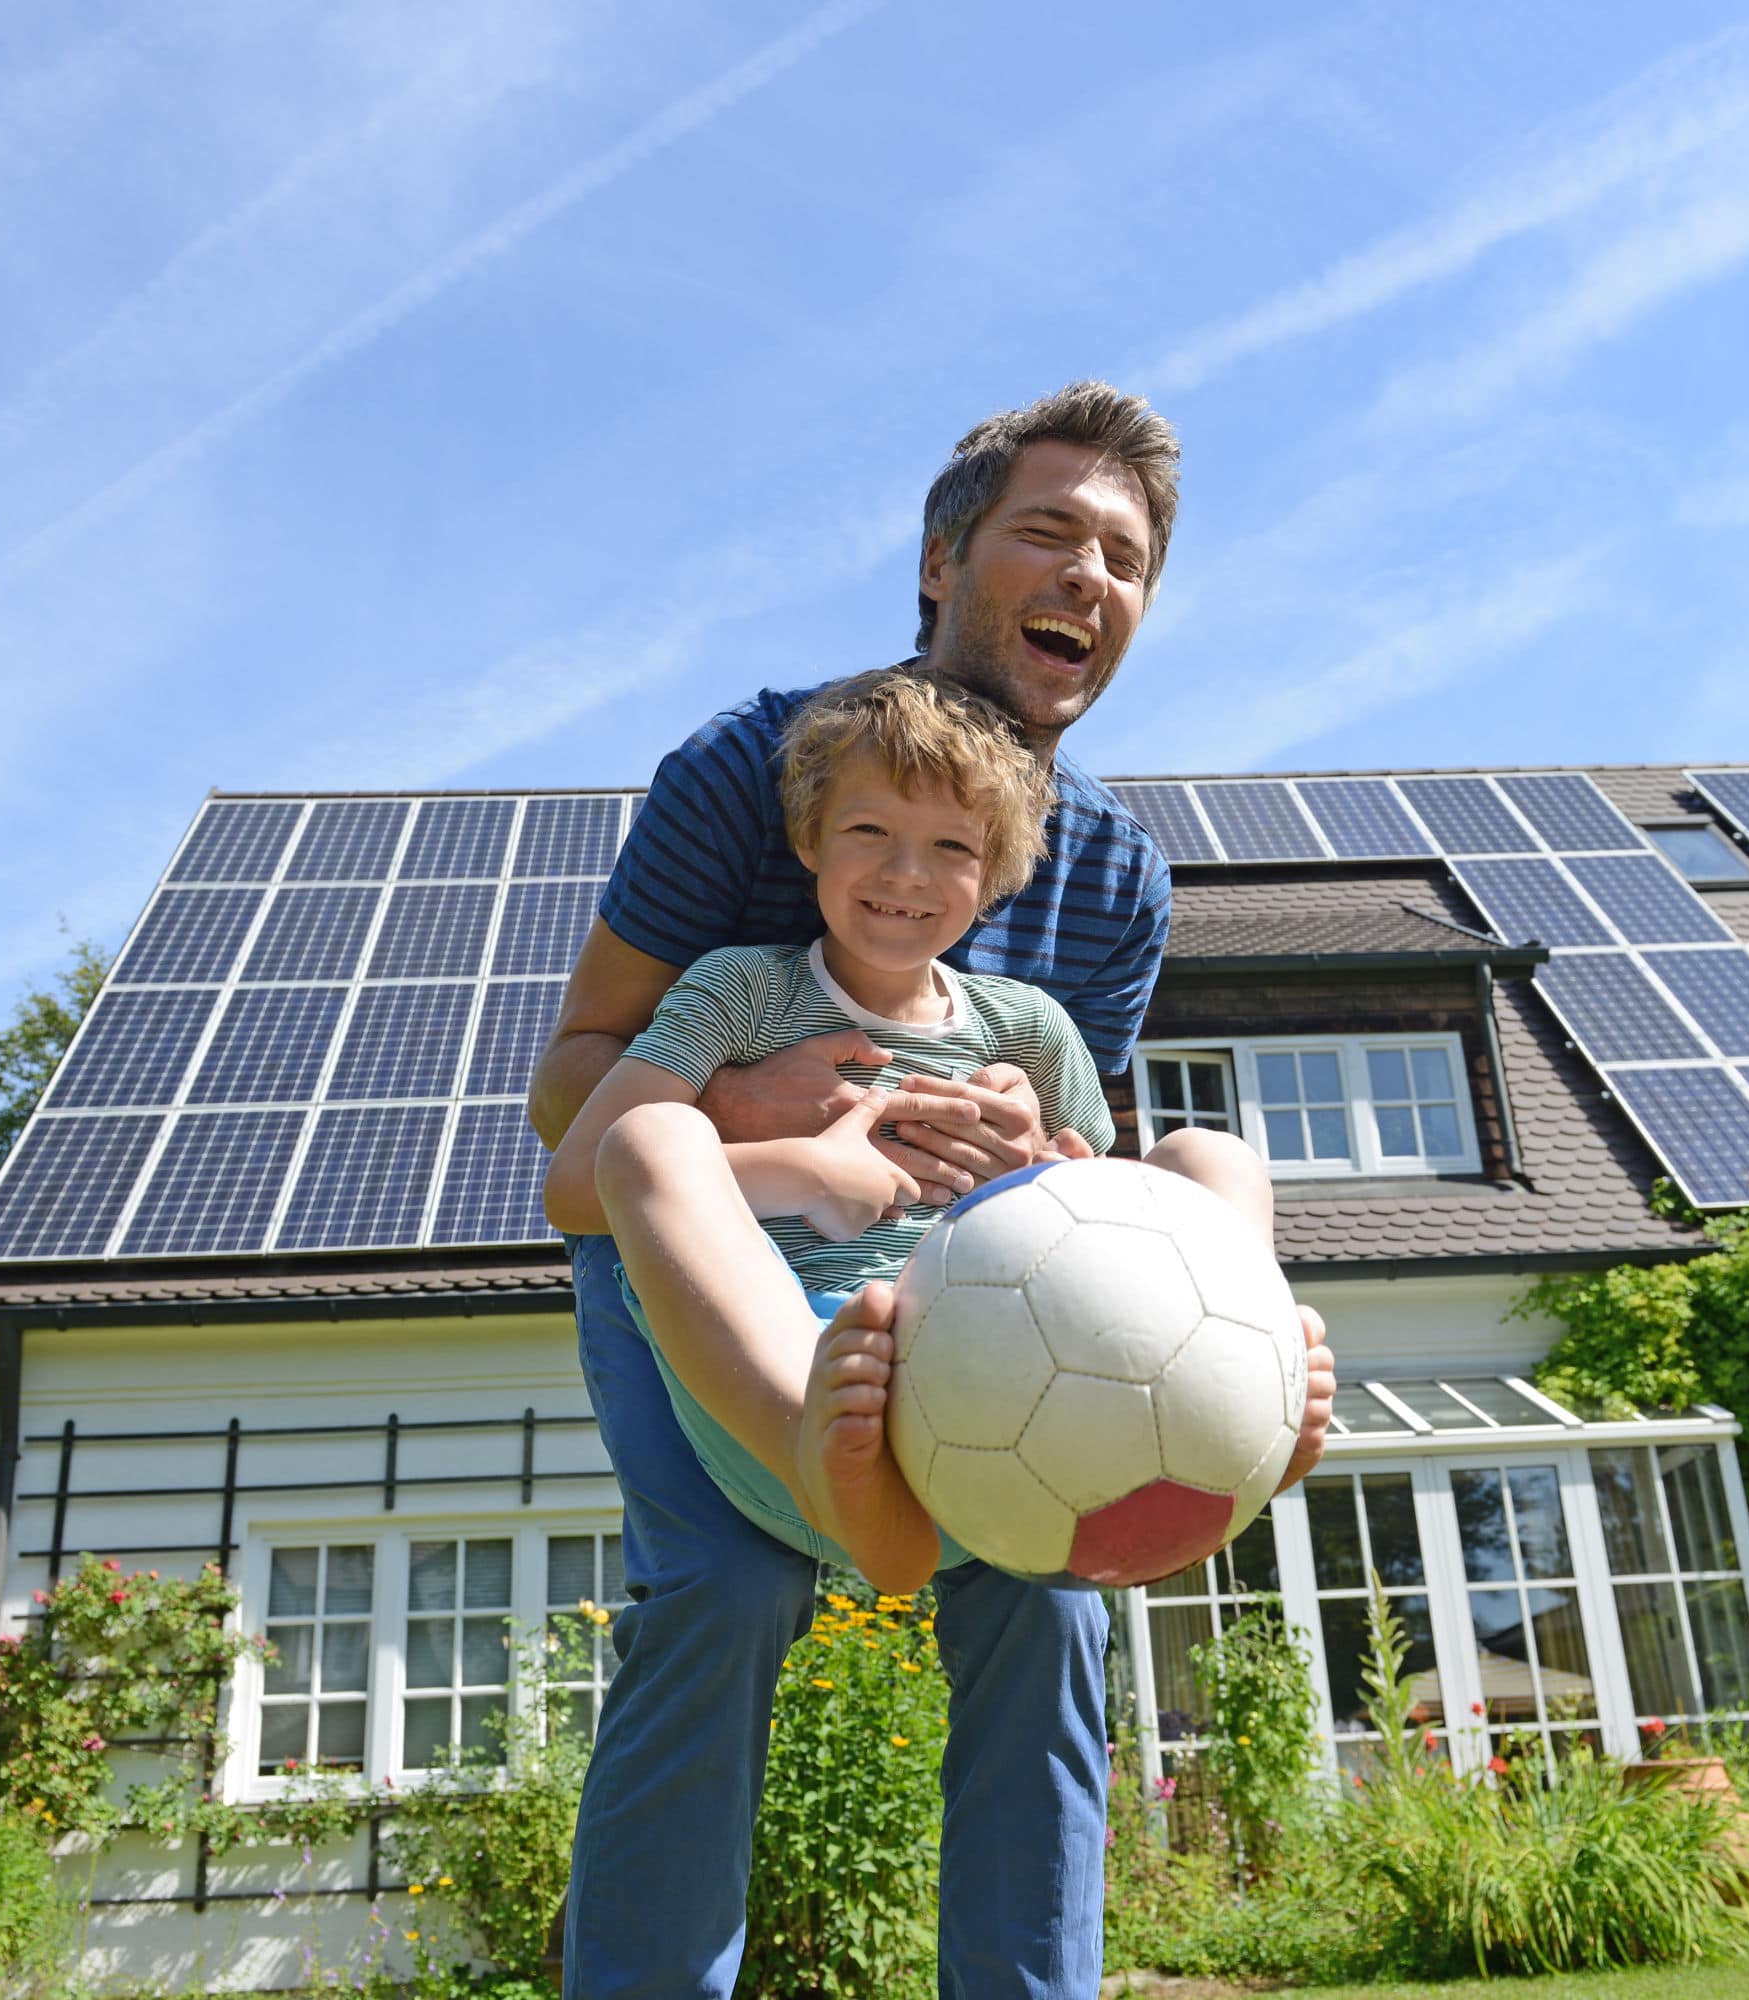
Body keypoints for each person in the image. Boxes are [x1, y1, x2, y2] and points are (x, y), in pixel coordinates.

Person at [527, 382, 1337, 1999]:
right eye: (1049, 531)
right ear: (943, 558)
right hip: (718, 1261)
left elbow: (1095, 1187)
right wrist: (770, 1111)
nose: (1088, 574)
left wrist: (1045, 1165)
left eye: (1125, 556)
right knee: (727, 1590)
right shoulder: (750, 766)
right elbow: (579, 1105)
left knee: (1050, 1603)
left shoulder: (1113, 874)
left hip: (975, 1292)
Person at [543, 667, 1300, 1596]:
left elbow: (1107, 1241)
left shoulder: (1029, 1030)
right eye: (870, 832)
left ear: (993, 878)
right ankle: (833, 1473)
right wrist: (804, 1172)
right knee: (650, 1138)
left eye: (950, 846)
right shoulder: (738, 992)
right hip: (805, 1387)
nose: (907, 874)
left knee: (1206, 1158)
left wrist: (1047, 1175)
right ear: (809, 841)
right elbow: (577, 1182)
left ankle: (1241, 1399)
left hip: (999, 1390)